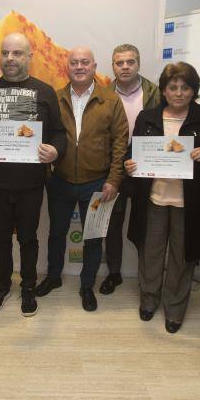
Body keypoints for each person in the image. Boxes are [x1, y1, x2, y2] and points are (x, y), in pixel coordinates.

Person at [0, 32, 66, 316]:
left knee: (28, 238)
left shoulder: (45, 91)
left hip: (31, 182)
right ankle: (2, 285)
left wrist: (55, 152)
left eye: (17, 53)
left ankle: (28, 287)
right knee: (0, 239)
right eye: (6, 53)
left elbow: (58, 133)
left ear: (29, 57)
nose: (10, 59)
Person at [125, 62, 200, 333]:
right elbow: (131, 154)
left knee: (182, 258)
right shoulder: (147, 117)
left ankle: (175, 309)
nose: (179, 93)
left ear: (194, 90)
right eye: (173, 87)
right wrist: (129, 164)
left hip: (190, 203)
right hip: (154, 199)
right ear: (163, 90)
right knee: (150, 254)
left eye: (185, 87)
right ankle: (149, 301)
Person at [36, 46, 128, 311]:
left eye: (85, 62)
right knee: (56, 234)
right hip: (60, 181)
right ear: (67, 67)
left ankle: (87, 285)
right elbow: (43, 136)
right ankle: (53, 277)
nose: (79, 67)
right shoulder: (55, 97)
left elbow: (121, 142)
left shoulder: (110, 100)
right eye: (74, 62)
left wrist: (114, 179)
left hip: (98, 183)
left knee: (93, 237)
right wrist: (47, 175)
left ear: (94, 66)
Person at [100, 44, 161, 295]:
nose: (125, 67)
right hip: (113, 169)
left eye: (130, 62)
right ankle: (114, 274)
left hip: (146, 171)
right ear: (113, 66)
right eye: (119, 62)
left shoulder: (156, 93)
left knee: (146, 226)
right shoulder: (103, 94)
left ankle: (147, 279)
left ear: (138, 64)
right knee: (112, 225)